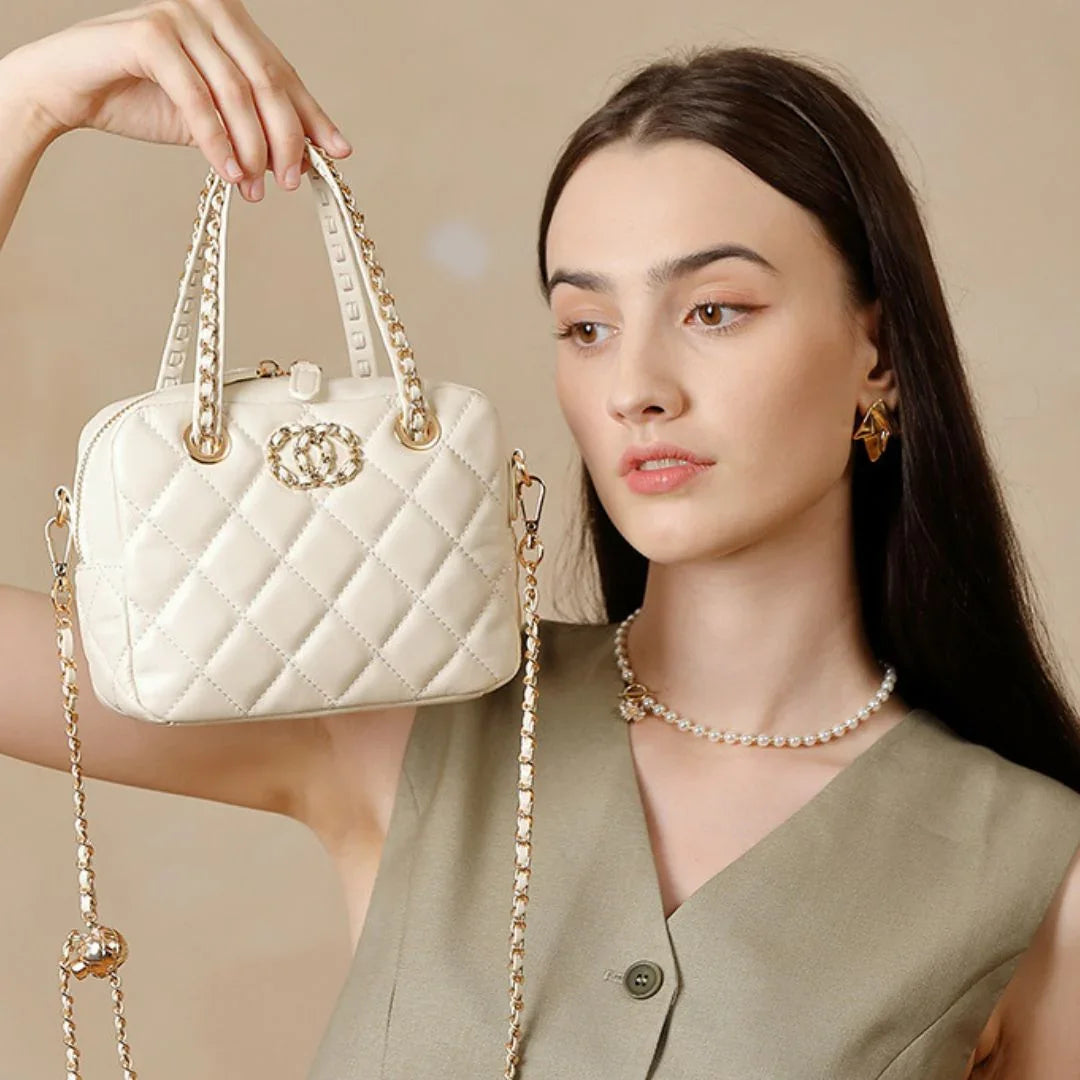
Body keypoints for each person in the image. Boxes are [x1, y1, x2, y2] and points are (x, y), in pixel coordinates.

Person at [1, 2, 1079, 1077]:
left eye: (715, 310)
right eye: (586, 328)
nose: (636, 390)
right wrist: (27, 101)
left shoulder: (1035, 871)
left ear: (877, 354)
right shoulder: (415, 725)